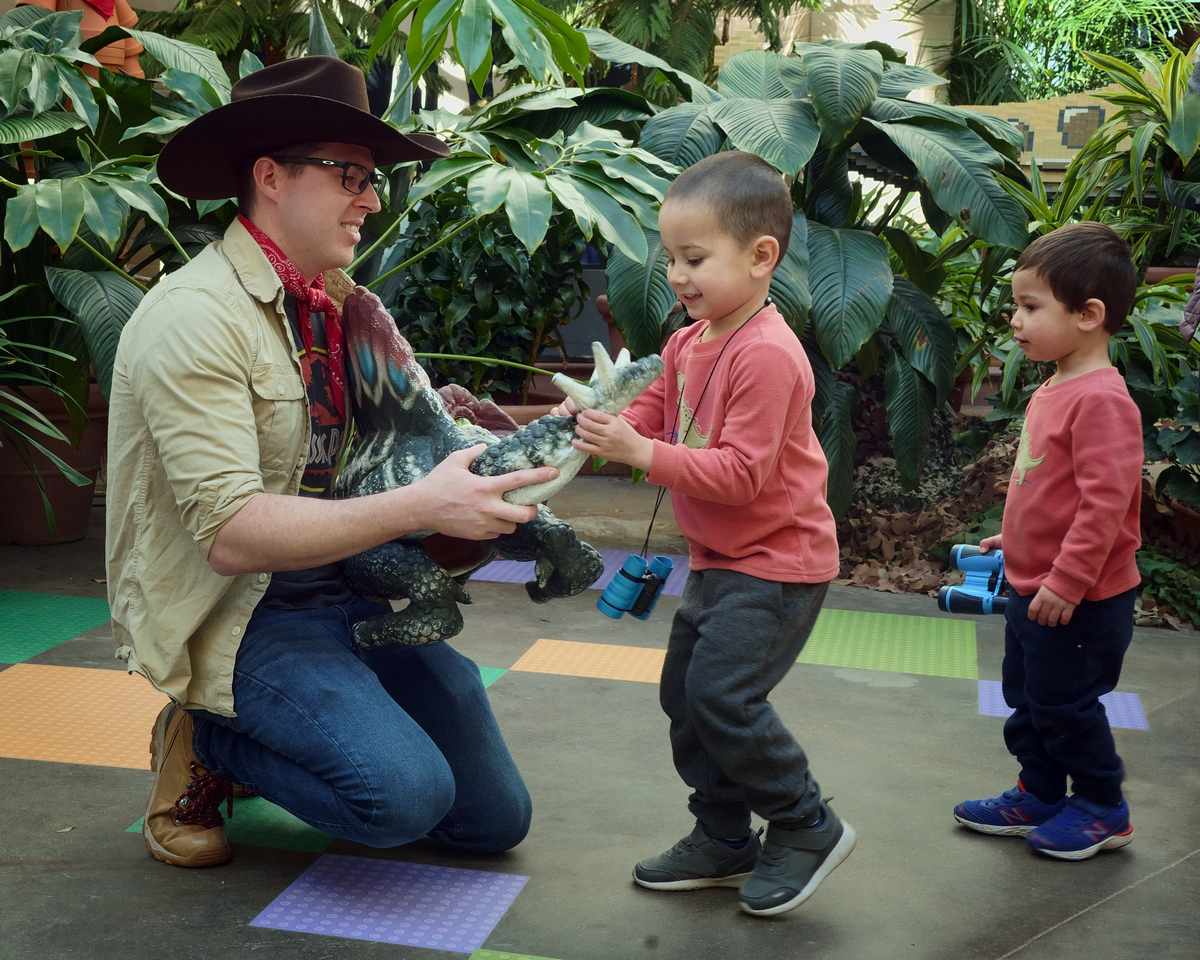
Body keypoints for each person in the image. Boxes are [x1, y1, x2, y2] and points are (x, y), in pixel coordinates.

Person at [106, 56, 561, 868]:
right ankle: (209, 740)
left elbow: (398, 442)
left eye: (373, 176)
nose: (372, 196)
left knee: (494, 821)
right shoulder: (192, 318)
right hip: (245, 617)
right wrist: (424, 505)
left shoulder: (340, 304)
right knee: (399, 799)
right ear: (271, 177)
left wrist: (494, 456)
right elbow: (233, 535)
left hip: (346, 594)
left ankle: (299, 725)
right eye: (350, 173)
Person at [552, 151, 854, 916]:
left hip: (780, 564)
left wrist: (640, 453)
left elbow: (742, 474)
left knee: (723, 694)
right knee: (685, 698)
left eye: (695, 259)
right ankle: (723, 837)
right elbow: (649, 416)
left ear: (761, 258)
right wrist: (601, 422)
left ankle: (805, 823)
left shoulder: (769, 354)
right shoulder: (691, 342)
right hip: (721, 561)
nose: (678, 277)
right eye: (671, 259)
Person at [953, 221, 1142, 861]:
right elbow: (1048, 488)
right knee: (1027, 697)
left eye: (1032, 307)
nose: (1016, 320)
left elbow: (1105, 505)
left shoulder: (1103, 400)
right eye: (1017, 305)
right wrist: (1010, 538)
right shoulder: (1056, 386)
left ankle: (1100, 806)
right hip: (1035, 589)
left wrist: (1067, 579)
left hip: (1080, 600)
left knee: (1066, 705)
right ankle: (1038, 791)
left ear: (1089, 315)